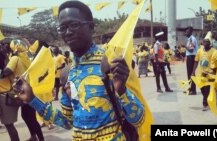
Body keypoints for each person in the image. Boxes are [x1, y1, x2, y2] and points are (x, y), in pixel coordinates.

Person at [13, 1, 144, 140]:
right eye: (63, 28)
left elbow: (138, 119)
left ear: (91, 27)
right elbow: (67, 121)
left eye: (74, 25)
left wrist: (122, 90)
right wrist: (32, 99)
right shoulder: (68, 72)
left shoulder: (112, 63)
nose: (68, 32)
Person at [3, 40, 45, 141]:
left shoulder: (15, 58)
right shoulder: (25, 56)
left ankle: (39, 138)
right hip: (28, 89)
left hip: (23, 91)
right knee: (28, 117)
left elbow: (6, 72)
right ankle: (35, 137)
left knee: (30, 118)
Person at [0, 43, 20, 141]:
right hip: (8, 97)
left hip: (3, 99)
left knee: (9, 126)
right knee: (10, 126)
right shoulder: (5, 69)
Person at [192, 39, 215, 111]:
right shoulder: (199, 51)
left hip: (209, 74)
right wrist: (193, 71)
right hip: (200, 74)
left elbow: (216, 63)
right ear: (202, 43)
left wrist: (213, 72)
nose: (206, 43)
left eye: (207, 42)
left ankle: (205, 104)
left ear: (210, 43)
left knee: (206, 89)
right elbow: (196, 61)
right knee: (202, 88)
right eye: (204, 41)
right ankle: (207, 100)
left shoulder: (214, 51)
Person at [184, 26, 199, 95]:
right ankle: (190, 88)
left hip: (192, 57)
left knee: (191, 74)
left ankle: (193, 90)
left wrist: (185, 47)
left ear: (190, 32)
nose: (185, 33)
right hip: (189, 57)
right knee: (189, 73)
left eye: (187, 32)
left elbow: (191, 49)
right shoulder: (189, 39)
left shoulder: (191, 39)